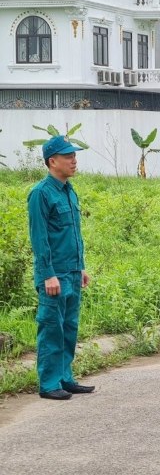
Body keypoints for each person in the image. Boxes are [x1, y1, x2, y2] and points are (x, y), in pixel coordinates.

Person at [27, 135, 93, 400]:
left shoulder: (69, 191)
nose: (74, 161)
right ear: (52, 161)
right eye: (68, 157)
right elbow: (39, 239)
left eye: (74, 156)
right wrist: (47, 275)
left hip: (72, 271)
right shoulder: (40, 194)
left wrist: (82, 267)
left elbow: (74, 234)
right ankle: (49, 382)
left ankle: (65, 377)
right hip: (54, 275)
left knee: (69, 327)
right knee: (52, 327)